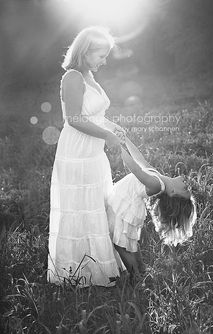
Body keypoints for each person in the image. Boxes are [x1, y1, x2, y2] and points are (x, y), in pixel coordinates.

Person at [47, 26, 126, 287]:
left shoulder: (89, 75)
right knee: (81, 208)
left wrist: (112, 127)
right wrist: (107, 136)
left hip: (93, 152)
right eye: (100, 56)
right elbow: (74, 119)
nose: (104, 61)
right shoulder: (72, 77)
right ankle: (78, 272)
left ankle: (101, 265)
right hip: (77, 151)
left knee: (98, 205)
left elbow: (95, 115)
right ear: (85, 51)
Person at [106, 135, 197, 278]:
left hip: (124, 208)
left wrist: (120, 149)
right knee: (130, 242)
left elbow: (136, 170)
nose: (188, 185)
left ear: (172, 193)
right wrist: (126, 141)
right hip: (126, 205)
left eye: (185, 190)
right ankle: (141, 269)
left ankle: (135, 276)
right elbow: (140, 160)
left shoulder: (156, 185)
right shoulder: (159, 177)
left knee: (121, 245)